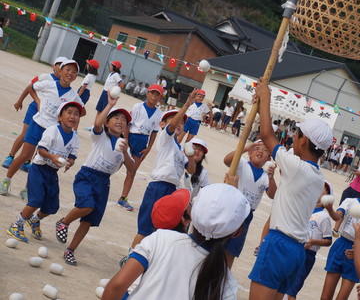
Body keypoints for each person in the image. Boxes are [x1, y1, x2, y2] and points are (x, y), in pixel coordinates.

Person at [248, 77, 332, 299]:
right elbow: (277, 194)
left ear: (304, 141)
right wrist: (260, 109)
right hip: (296, 251)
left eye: (297, 135)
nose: (293, 138)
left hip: (278, 244)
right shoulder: (317, 176)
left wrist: (265, 96)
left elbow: (267, 135)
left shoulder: (296, 167)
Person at [102, 183, 250, 300]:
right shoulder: (227, 282)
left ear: (192, 214)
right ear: (237, 232)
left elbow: (117, 286)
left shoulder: (161, 238)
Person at [55, 95, 133, 266]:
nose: (120, 121)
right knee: (87, 205)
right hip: (88, 176)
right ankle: (64, 222)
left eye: (124, 120)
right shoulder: (100, 136)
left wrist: (126, 152)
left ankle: (70, 250)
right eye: (116, 118)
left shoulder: (124, 145)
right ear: (107, 122)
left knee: (88, 221)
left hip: (103, 183)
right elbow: (97, 124)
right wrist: (110, 105)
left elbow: (131, 169)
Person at [1, 60, 84, 196]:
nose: (70, 73)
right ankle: (6, 180)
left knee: (39, 161)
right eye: (68, 70)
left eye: (74, 72)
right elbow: (31, 87)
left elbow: (82, 111)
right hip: (38, 124)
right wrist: (39, 102)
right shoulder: (49, 84)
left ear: (76, 77)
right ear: (60, 71)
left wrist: (66, 117)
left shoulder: (73, 96)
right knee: (25, 155)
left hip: (52, 132)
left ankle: (27, 189)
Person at [127, 90, 197, 252]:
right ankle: (130, 256)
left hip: (172, 190)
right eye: (174, 121)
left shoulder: (180, 149)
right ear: (163, 124)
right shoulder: (166, 139)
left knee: (162, 228)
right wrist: (186, 105)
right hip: (157, 187)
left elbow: (191, 170)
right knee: (145, 227)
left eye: (182, 123)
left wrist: (191, 157)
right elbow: (172, 127)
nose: (179, 124)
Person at [6, 102, 82, 242]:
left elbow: (72, 156)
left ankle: (35, 220)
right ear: (59, 116)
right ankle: (16, 225)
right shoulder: (52, 130)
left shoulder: (75, 138)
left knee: (52, 206)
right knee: (36, 201)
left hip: (52, 173)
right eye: (69, 112)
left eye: (76, 114)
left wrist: (70, 163)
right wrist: (52, 157)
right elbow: (41, 150)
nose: (73, 116)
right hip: (39, 169)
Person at [2, 56, 66, 175]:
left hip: (48, 114)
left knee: (43, 140)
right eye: (59, 64)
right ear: (54, 66)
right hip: (35, 109)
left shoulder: (63, 85)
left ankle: (27, 162)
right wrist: (22, 101)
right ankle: (10, 156)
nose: (61, 67)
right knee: (25, 134)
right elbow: (29, 87)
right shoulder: (45, 77)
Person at [223, 140, 277, 268]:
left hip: (246, 215)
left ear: (269, 159)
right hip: (231, 208)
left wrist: (271, 178)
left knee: (232, 249)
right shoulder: (241, 163)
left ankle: (225, 272)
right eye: (257, 148)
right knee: (219, 243)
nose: (260, 151)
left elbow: (273, 195)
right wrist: (245, 147)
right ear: (249, 153)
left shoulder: (265, 177)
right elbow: (227, 160)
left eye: (265, 151)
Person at [117, 84, 164, 211]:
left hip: (142, 141)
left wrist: (149, 148)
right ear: (147, 93)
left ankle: (123, 198)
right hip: (131, 137)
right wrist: (125, 140)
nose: (154, 96)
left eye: (157, 94)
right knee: (116, 164)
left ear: (160, 98)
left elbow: (154, 132)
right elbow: (128, 125)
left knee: (132, 171)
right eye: (152, 93)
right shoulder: (137, 107)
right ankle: (99, 185)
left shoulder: (159, 113)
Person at [286, 181, 333, 300]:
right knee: (282, 283)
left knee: (293, 289)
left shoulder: (324, 217)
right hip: (292, 248)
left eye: (323, 189)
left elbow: (328, 240)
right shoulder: (303, 209)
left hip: (307, 254)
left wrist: (313, 242)